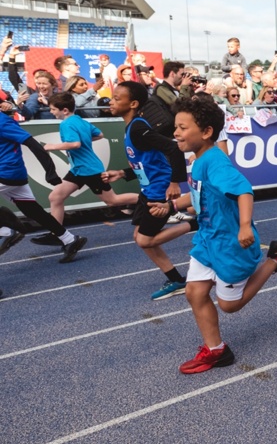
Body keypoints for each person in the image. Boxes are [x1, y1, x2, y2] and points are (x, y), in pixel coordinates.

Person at [159, 97, 277, 374]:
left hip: (229, 243)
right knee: (195, 292)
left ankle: (276, 259)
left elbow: (244, 190)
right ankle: (216, 350)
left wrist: (245, 226)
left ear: (206, 132)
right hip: (207, 241)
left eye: (182, 127)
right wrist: (171, 206)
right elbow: (200, 194)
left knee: (230, 305)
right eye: (175, 127)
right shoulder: (198, 159)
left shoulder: (216, 161)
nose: (175, 133)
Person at [101, 81, 195, 300]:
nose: (111, 101)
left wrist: (175, 183)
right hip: (147, 188)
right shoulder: (132, 127)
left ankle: (194, 223)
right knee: (138, 236)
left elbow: (172, 148)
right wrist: (124, 173)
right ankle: (176, 279)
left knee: (144, 240)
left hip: (159, 190)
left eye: (117, 98)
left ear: (133, 103)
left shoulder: (139, 127)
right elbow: (147, 160)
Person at [0, 111, 86, 264]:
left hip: (7, 172)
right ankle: (69, 239)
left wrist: (50, 171)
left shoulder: (2, 121)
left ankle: (5, 232)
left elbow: (32, 143)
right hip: (12, 173)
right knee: (32, 210)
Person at [43, 92, 138, 223]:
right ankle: (57, 233)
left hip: (89, 169)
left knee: (112, 201)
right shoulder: (81, 121)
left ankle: (150, 200)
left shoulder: (66, 124)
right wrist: (85, 140)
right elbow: (100, 135)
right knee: (55, 197)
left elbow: (75, 144)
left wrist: (51, 147)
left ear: (64, 110)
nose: (51, 112)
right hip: (78, 169)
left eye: (53, 109)